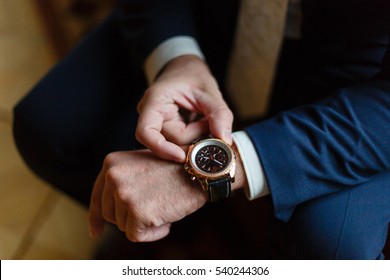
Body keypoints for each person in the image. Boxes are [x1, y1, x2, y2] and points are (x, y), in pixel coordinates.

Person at [13, 0, 390, 259]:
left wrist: (216, 172)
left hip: (359, 84)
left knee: (333, 247)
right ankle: (162, 234)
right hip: (203, 21)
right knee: (48, 125)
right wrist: (176, 57)